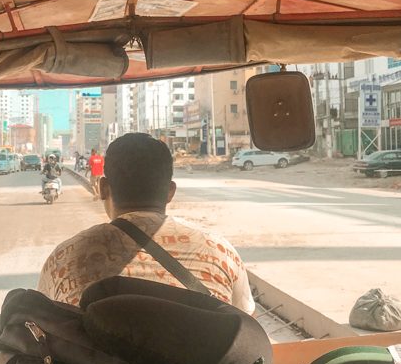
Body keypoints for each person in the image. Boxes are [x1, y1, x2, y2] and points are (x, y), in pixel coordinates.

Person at [37, 133, 254, 311]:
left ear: (103, 189)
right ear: (170, 193)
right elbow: (245, 320)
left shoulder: (64, 258)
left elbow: (43, 323)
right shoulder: (220, 252)